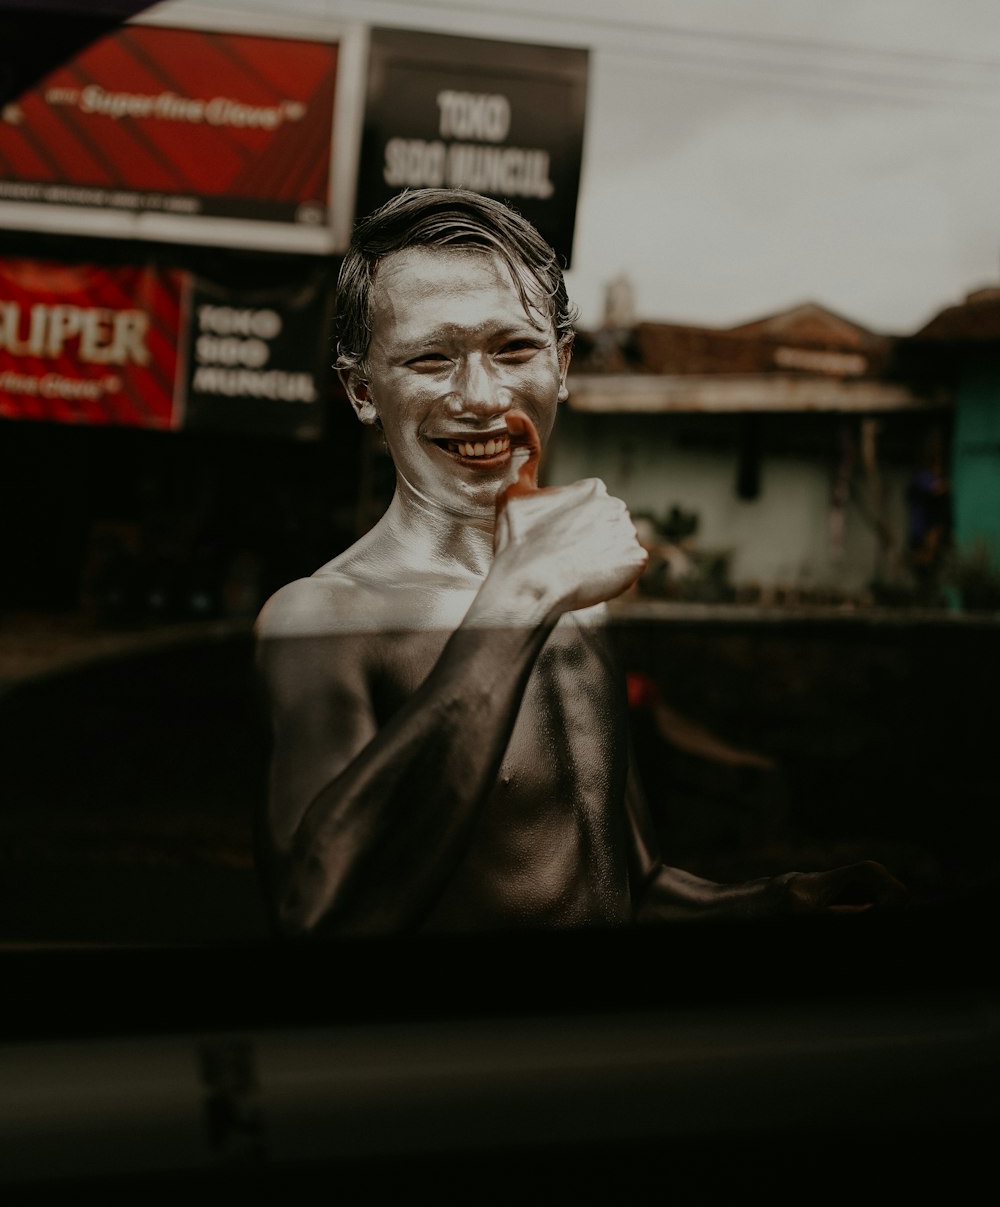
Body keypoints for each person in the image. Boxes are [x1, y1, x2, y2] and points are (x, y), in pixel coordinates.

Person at [255, 188, 904, 936]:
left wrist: (775, 900)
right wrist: (520, 597)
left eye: (514, 349)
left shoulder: (577, 599)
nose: (482, 396)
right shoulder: (325, 616)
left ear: (561, 364)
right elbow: (319, 921)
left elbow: (627, 886)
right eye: (431, 358)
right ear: (363, 390)